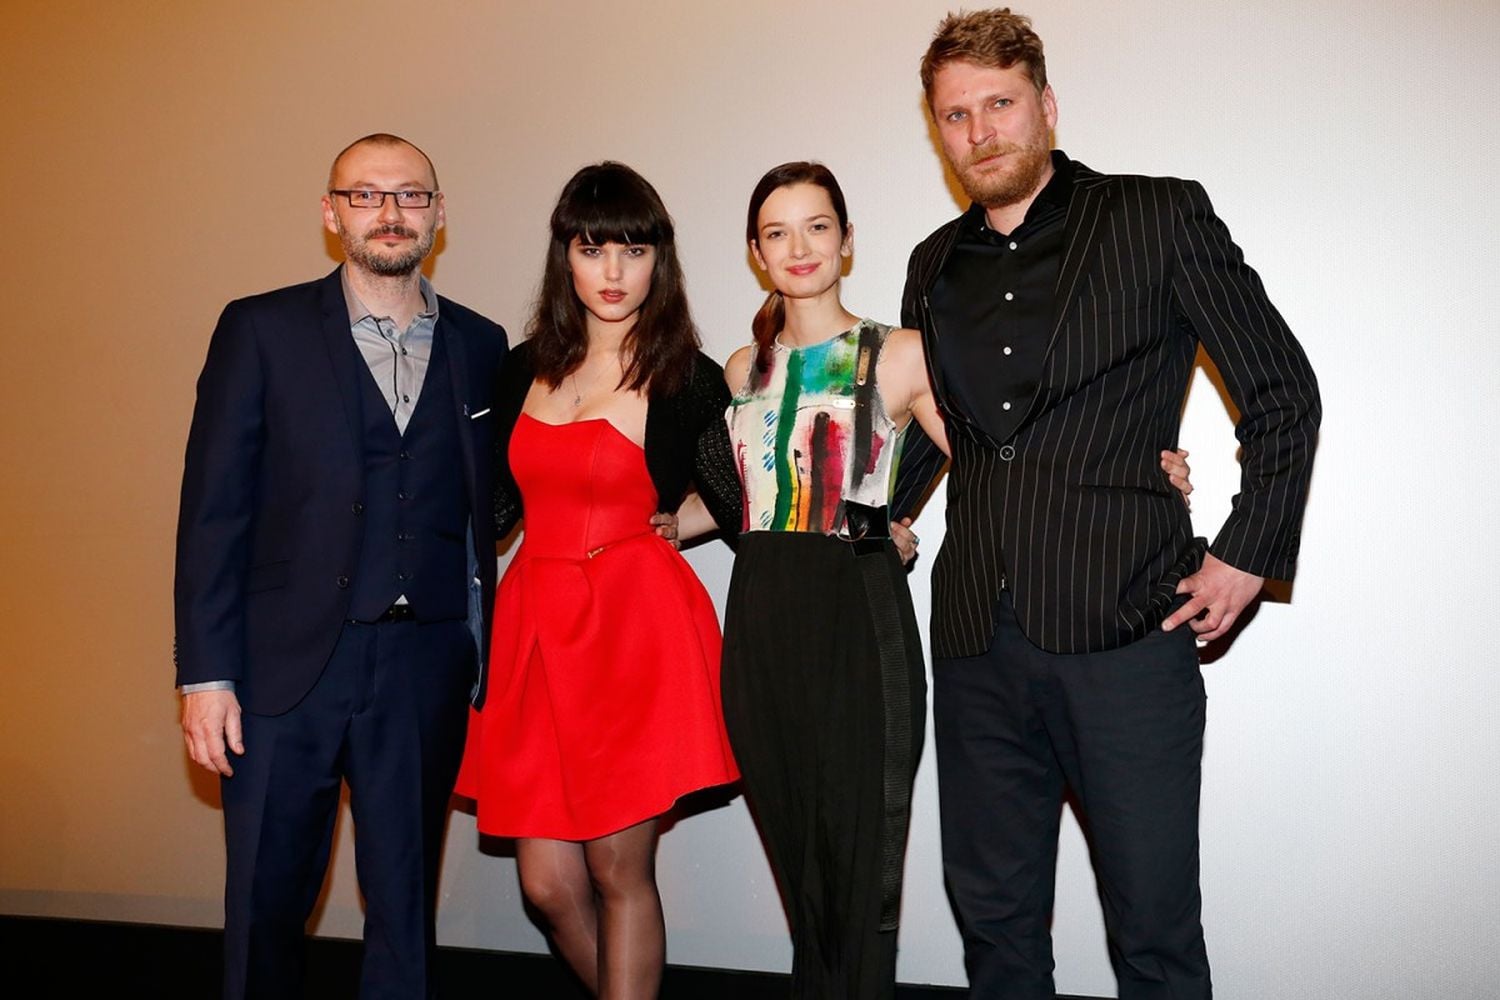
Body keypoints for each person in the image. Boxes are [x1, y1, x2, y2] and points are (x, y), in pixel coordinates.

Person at [679, 163, 1193, 999]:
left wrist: (1137, 467)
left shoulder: (902, 353)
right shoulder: (743, 367)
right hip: (763, 620)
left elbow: (1002, 453)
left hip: (856, 615)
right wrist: (646, 528)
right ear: (756, 254)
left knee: (861, 864)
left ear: (847, 243)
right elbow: (741, 492)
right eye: (777, 232)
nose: (799, 247)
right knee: (798, 861)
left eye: (817, 227)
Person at [900, 10, 1322, 999]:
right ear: (938, 130)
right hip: (973, 642)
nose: (980, 131)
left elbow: (1279, 388)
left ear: (1044, 105)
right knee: (996, 926)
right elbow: (935, 425)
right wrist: (880, 521)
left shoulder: (1155, 215)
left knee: (1153, 927)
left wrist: (1248, 549)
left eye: (999, 103)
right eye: (955, 115)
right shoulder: (931, 264)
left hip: (1127, 632)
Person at [174, 133, 507, 998]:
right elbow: (213, 513)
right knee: (266, 900)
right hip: (283, 671)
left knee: (406, 908)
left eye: (410, 196)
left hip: (423, 665)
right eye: (366, 195)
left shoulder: (482, 343)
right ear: (331, 213)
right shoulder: (260, 329)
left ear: (439, 216)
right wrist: (204, 674)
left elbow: (491, 497)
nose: (389, 213)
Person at [455, 162, 741, 999]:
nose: (614, 273)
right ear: (565, 259)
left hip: (633, 634)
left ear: (660, 261)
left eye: (634, 249)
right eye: (593, 249)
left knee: (620, 868)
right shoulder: (518, 370)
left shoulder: (687, 376)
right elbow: (494, 508)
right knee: (546, 884)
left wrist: (678, 522)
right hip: (535, 636)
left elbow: (746, 496)